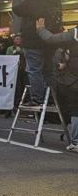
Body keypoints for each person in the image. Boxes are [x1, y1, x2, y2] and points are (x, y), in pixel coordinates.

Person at [12, 0, 66, 106]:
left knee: (34, 69)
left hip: (33, 40)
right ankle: (51, 98)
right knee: (49, 70)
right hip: (50, 40)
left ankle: (37, 98)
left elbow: (17, 9)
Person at [35, 18, 78, 153]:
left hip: (74, 78)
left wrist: (40, 29)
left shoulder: (74, 33)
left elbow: (51, 39)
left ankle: (76, 142)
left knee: (76, 109)